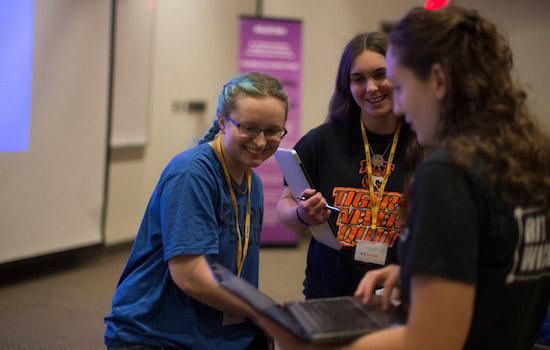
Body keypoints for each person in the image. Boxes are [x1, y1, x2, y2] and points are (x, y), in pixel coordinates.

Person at [256, 6, 550, 350]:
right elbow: (494, 269)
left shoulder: (448, 174)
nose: (398, 104)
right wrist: (417, 274)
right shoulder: (525, 159)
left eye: (399, 83)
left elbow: (431, 338)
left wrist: (307, 343)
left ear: (438, 81)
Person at [104, 72, 289, 349]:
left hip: (221, 334)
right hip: (156, 335)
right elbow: (190, 276)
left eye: (272, 131)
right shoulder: (191, 173)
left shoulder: (254, 182)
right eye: (249, 128)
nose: (261, 142)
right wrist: (263, 311)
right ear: (222, 122)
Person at [276, 32, 423, 299]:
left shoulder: (425, 140)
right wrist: (302, 214)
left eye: (381, 74)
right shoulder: (321, 141)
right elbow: (284, 207)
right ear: (347, 85)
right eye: (358, 79)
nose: (371, 88)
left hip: (401, 295)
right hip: (329, 294)